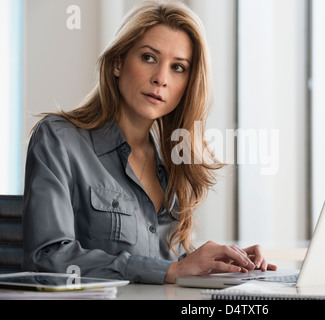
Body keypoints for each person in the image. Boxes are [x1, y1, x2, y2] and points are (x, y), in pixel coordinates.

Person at [22, 1, 276, 284]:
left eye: (178, 67)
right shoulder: (58, 139)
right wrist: (170, 271)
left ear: (188, 85)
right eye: (148, 58)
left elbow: (162, 266)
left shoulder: (173, 163)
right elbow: (47, 258)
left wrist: (215, 263)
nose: (161, 79)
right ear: (118, 62)